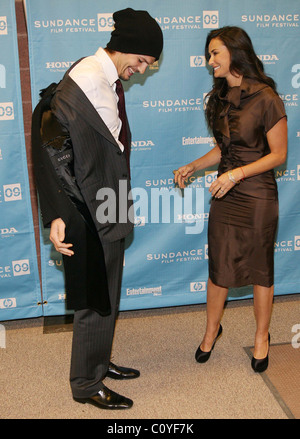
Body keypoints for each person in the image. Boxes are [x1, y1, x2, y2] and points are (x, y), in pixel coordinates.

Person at [32, 8, 163, 409]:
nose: (141, 71)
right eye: (141, 61)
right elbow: (51, 149)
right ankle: (86, 384)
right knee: (95, 298)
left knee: (109, 288)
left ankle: (99, 361)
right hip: (87, 208)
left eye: (149, 65)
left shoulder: (101, 75)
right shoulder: (85, 79)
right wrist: (58, 214)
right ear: (124, 48)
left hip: (108, 200)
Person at [174, 26, 287, 373]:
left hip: (256, 195)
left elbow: (279, 154)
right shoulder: (220, 97)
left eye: (215, 54)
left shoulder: (267, 98)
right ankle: (211, 330)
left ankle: (262, 337)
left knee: (260, 269)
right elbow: (224, 149)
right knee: (218, 267)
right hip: (226, 194)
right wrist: (194, 165)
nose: (210, 62)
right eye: (209, 55)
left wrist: (237, 174)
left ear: (236, 54)